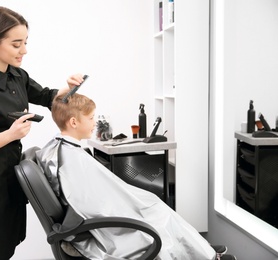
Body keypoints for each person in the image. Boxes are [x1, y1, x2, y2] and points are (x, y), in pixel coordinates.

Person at [35, 93, 237, 260]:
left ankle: (202, 251)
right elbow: (89, 205)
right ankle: (206, 255)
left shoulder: (61, 150)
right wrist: (129, 208)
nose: (95, 123)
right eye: (90, 118)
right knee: (159, 216)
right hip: (102, 225)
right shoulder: (71, 157)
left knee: (155, 206)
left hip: (99, 215)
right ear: (73, 122)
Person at [0, 6, 85, 260]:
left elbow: (47, 96)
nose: (24, 50)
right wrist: (10, 135)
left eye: (25, 42)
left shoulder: (17, 76)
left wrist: (68, 89)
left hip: (10, 182)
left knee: (7, 249)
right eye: (16, 44)